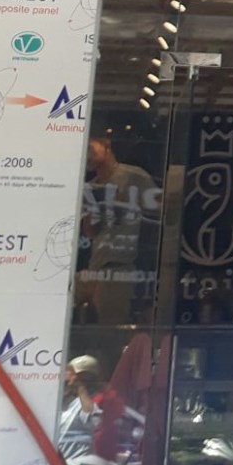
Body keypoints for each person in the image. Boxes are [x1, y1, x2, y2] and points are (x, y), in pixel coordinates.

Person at [80, 129, 158, 325]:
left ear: (106, 145)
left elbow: (160, 212)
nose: (87, 156)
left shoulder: (133, 176)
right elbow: (90, 232)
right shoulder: (92, 187)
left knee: (109, 326)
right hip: (95, 265)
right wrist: (95, 211)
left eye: (90, 148)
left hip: (120, 265)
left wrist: (128, 207)